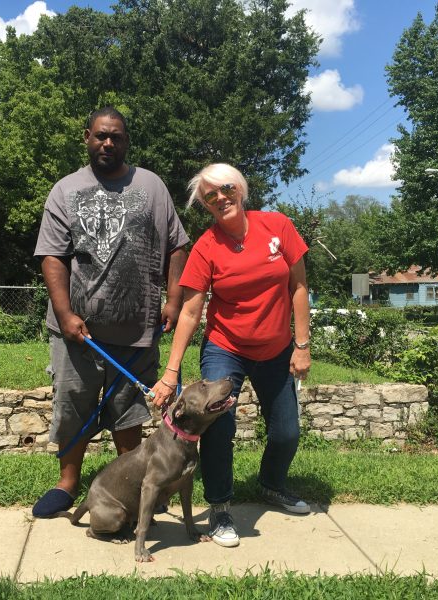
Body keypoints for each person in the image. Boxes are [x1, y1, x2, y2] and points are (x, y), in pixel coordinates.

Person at [33, 106, 189, 518]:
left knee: (130, 413)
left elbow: (177, 244)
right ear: (87, 137)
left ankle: (135, 485)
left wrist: (172, 299)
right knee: (72, 406)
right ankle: (67, 483)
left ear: (126, 141)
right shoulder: (64, 190)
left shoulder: (152, 186)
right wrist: (65, 313)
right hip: (77, 332)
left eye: (116, 137)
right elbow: (52, 256)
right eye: (101, 135)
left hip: (137, 329)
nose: (108, 143)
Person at [150, 163, 311, 548]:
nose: (220, 197)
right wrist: (171, 374)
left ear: (240, 189)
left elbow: (299, 286)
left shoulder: (278, 227)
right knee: (218, 426)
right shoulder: (206, 246)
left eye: (225, 188)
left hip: (275, 348)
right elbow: (190, 311)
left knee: (287, 432)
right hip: (226, 347)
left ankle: (272, 484)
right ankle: (220, 505)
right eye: (210, 195)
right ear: (205, 205)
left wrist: (301, 346)